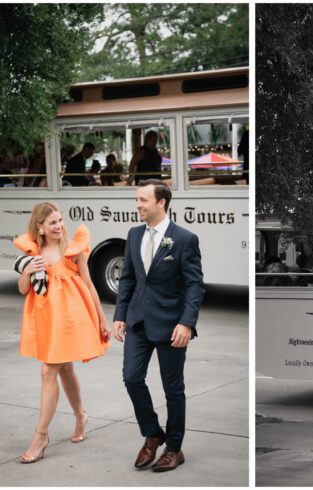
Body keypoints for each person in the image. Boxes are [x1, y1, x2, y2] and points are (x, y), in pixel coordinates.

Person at [112, 179, 205, 472]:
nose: (138, 205)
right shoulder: (134, 234)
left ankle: (174, 448)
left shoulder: (184, 239)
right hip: (138, 321)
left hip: (171, 325)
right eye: (137, 200)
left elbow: (194, 286)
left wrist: (186, 324)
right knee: (131, 378)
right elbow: (128, 279)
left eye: (143, 200)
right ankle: (152, 433)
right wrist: (119, 316)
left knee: (172, 389)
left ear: (161, 202)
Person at [13, 202, 110, 463]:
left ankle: (41, 435)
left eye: (60, 220)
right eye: (53, 222)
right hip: (46, 318)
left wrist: (102, 320)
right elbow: (23, 289)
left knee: (48, 370)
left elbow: (89, 285)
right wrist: (29, 271)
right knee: (64, 369)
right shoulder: (33, 252)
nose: (59, 226)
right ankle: (81, 415)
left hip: (69, 318)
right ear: (40, 227)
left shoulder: (73, 249)